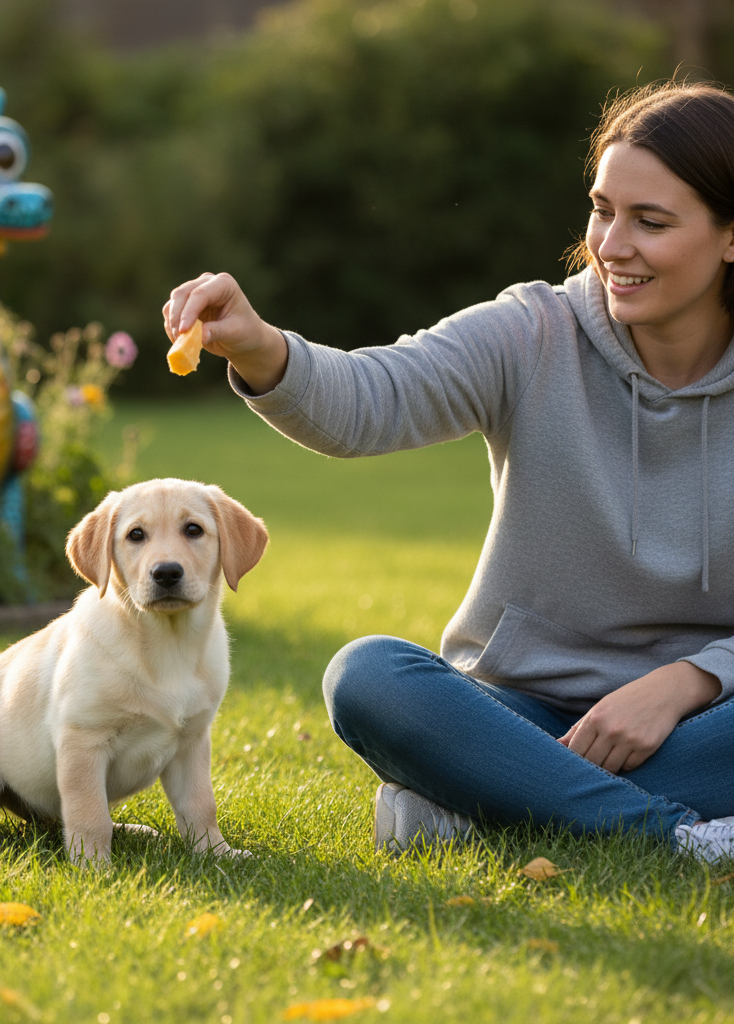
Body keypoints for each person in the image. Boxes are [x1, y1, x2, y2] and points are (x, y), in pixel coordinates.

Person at [163, 81, 734, 864]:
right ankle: (675, 836)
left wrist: (688, 682)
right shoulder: (534, 333)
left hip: (706, 716)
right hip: (513, 711)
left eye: (651, 221)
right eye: (603, 209)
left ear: (729, 236)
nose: (611, 245)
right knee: (368, 676)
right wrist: (264, 349)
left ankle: (491, 801)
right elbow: (372, 398)